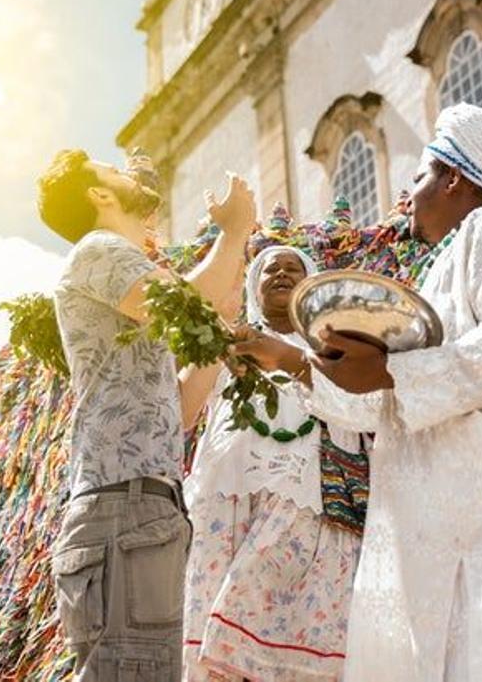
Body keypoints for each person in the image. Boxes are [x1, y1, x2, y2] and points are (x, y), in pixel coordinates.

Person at [243, 103, 482, 681]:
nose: (408, 194)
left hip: (480, 507)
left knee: (481, 657)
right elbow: (378, 405)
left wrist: (393, 373)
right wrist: (290, 358)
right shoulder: (439, 269)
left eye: (418, 177)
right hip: (420, 517)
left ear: (454, 178)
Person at [37, 148, 256, 681]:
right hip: (123, 507)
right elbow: (180, 302)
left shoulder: (117, 266)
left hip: (143, 510)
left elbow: (176, 413)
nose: (126, 173)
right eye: (112, 171)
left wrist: (221, 323)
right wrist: (234, 233)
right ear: (99, 194)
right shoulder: (97, 250)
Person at [181, 245, 365, 681]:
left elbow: (362, 406)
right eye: (270, 270)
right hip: (228, 492)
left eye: (292, 269)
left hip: (313, 497)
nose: (281, 274)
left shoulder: (335, 346)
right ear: (252, 286)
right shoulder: (228, 342)